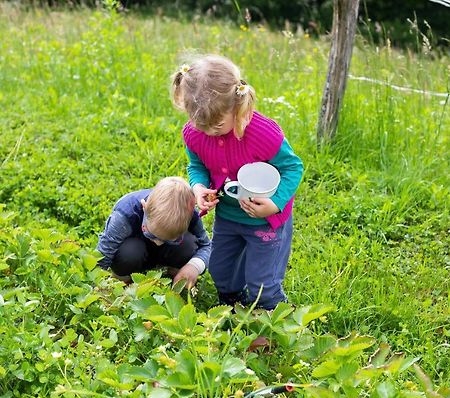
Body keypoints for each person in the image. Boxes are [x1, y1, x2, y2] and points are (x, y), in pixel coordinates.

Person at [171, 55, 304, 310]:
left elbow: (293, 168)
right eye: (201, 125)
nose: (209, 132)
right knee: (222, 271)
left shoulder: (262, 133)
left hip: (266, 219)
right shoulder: (194, 134)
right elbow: (196, 165)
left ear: (237, 107)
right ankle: (234, 308)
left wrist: (275, 204)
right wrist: (198, 187)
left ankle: (273, 321)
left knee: (262, 284)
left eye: (218, 125)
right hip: (229, 216)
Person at [96, 177, 211, 287]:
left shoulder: (189, 215)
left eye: (171, 240)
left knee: (188, 245)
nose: (158, 243)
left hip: (167, 254)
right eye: (151, 235)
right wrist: (98, 285)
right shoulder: (125, 215)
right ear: (144, 208)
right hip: (135, 252)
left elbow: (206, 245)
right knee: (129, 252)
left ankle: (177, 278)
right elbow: (104, 253)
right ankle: (122, 281)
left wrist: (193, 266)